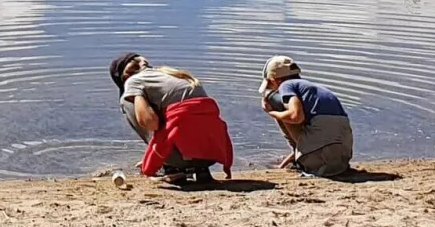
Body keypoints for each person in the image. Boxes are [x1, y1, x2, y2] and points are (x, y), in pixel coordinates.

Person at [109, 52, 233, 185]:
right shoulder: (172, 74)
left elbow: (151, 124)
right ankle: (200, 170)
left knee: (126, 102)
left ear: (124, 76)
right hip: (212, 153)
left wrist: (155, 158)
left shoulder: (133, 81)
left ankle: (172, 167)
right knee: (185, 115)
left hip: (183, 157)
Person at [260, 56, 354, 178]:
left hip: (319, 159)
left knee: (276, 103)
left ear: (274, 80)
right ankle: (296, 154)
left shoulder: (286, 86)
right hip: (342, 158)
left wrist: (271, 111)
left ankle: (301, 154)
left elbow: (296, 116)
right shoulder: (312, 88)